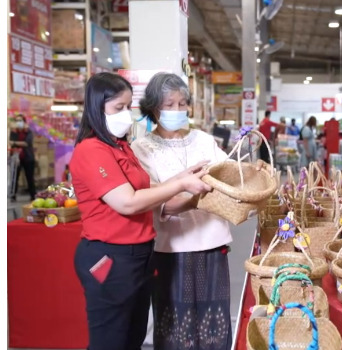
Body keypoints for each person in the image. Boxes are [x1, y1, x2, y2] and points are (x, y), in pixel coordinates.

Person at [69, 72, 212, 350]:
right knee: (110, 341)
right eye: (117, 108)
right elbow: (128, 202)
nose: (126, 115)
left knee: (132, 337)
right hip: (110, 257)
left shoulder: (120, 146)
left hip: (139, 255)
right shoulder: (92, 150)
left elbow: (147, 188)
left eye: (127, 107)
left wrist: (181, 177)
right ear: (97, 108)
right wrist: (181, 183)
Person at [131, 73, 237, 350]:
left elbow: (228, 177)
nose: (178, 111)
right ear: (154, 108)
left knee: (215, 320)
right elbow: (159, 201)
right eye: (170, 104)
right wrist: (195, 197)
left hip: (212, 243)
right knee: (175, 322)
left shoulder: (203, 140)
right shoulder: (142, 149)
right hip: (170, 248)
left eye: (182, 104)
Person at [9, 114, 36, 201]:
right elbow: (10, 142)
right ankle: (13, 195)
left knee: (30, 177)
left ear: (24, 122)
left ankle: (33, 195)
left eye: (20, 120)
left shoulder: (28, 132)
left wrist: (14, 143)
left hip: (28, 157)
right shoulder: (13, 132)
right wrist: (16, 143)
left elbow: (26, 143)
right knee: (14, 177)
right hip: (16, 158)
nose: (18, 122)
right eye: (17, 120)